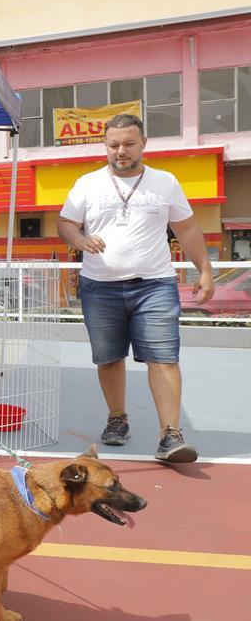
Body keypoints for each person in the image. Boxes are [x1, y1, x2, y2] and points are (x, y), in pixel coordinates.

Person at [57, 114, 214, 463]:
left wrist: (204, 268)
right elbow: (66, 223)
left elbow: (186, 229)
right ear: (106, 146)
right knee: (109, 357)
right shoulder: (87, 183)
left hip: (155, 285)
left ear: (144, 143)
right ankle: (117, 419)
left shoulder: (165, 182)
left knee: (164, 358)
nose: (121, 151)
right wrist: (81, 240)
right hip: (100, 287)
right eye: (114, 145)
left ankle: (170, 435)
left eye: (129, 143)